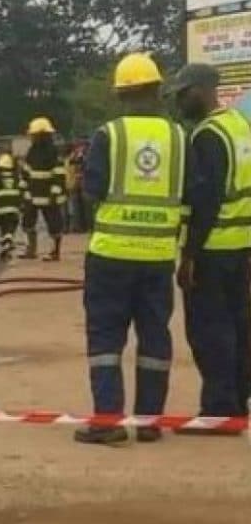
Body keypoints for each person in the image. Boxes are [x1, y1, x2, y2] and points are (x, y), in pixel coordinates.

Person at [75, 53, 187, 445]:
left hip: (111, 255)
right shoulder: (179, 137)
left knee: (106, 339)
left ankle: (108, 421)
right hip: (158, 257)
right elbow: (190, 194)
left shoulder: (109, 135)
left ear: (120, 94)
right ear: (158, 91)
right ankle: (149, 422)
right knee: (155, 338)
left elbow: (91, 191)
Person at [170, 63, 251, 433]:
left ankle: (218, 410)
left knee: (209, 330)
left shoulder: (207, 135)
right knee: (239, 326)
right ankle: (237, 402)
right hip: (243, 247)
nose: (180, 102)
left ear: (201, 91)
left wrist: (189, 256)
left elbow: (207, 200)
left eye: (183, 94)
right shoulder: (240, 127)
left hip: (214, 249)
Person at [20, 117, 67, 261]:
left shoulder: (53, 152)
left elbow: (59, 174)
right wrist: (23, 190)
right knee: (28, 222)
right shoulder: (31, 152)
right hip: (32, 194)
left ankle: (55, 251)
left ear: (42, 135)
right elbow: (26, 172)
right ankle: (31, 250)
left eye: (34, 135)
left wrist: (54, 193)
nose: (32, 137)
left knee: (54, 223)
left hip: (49, 195)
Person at [0, 153, 23, 260]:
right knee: (11, 228)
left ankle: (6, 244)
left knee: (3, 227)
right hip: (14, 207)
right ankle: (8, 242)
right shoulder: (16, 176)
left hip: (0, 207)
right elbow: (21, 189)